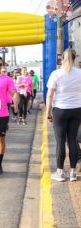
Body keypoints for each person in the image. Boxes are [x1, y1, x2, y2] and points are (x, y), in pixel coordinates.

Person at [45, 49, 81, 182]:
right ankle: (72, 172)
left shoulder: (56, 74)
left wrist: (48, 113)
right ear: (75, 58)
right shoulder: (80, 73)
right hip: (77, 109)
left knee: (60, 141)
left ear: (62, 59)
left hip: (60, 110)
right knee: (72, 140)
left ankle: (60, 172)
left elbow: (50, 95)